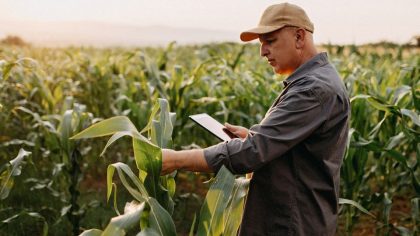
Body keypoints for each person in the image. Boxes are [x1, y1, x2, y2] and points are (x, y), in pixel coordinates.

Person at [162, 2, 350, 236]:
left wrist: (173, 160)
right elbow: (291, 148)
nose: (262, 52)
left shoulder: (313, 89)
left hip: (292, 225)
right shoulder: (313, 81)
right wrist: (253, 137)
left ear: (299, 37)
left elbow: (252, 152)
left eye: (270, 41)